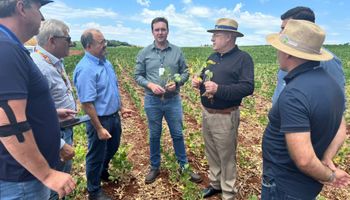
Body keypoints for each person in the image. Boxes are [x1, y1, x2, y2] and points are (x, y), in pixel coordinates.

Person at [262, 19, 350, 200]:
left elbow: (304, 159)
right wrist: (326, 158)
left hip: (284, 186)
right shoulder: (332, 84)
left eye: (279, 47)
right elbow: (341, 127)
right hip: (306, 187)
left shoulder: (294, 94)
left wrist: (331, 176)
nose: (277, 51)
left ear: (288, 53)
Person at [0, 0, 75, 200]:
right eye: (39, 9)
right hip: (22, 181)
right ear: (21, 7)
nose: (42, 18)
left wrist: (50, 113)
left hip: (23, 178)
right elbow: (9, 124)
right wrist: (47, 174)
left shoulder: (11, 47)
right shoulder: (5, 49)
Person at [134, 17, 202, 184]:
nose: (160, 33)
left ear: (168, 31)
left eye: (163, 29)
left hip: (172, 100)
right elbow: (137, 75)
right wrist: (150, 84)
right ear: (152, 32)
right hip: (152, 100)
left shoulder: (177, 51)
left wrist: (177, 82)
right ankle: (155, 167)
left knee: (178, 134)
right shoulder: (144, 53)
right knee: (154, 135)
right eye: (157, 30)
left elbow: (185, 71)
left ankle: (183, 167)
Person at [192, 18, 254, 199]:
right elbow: (204, 77)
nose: (212, 39)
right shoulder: (212, 57)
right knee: (211, 151)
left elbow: (248, 87)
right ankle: (216, 184)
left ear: (229, 37)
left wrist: (219, 89)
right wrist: (198, 81)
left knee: (226, 157)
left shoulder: (243, 58)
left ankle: (228, 193)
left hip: (225, 116)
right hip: (207, 113)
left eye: (216, 35)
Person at [74, 28, 132, 200]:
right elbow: (87, 102)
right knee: (96, 154)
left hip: (114, 117)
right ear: (89, 45)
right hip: (99, 120)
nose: (105, 44)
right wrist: (98, 127)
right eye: (101, 42)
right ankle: (94, 190)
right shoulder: (86, 69)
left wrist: (121, 108)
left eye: (105, 41)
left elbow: (112, 89)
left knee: (113, 147)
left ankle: (102, 171)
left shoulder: (106, 63)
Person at [31, 19, 76, 200]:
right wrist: (59, 143)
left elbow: (41, 107)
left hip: (62, 128)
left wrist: (55, 113)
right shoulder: (37, 66)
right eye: (68, 38)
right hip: (52, 136)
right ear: (52, 40)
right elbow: (29, 115)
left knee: (61, 184)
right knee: (52, 186)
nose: (71, 43)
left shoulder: (55, 62)